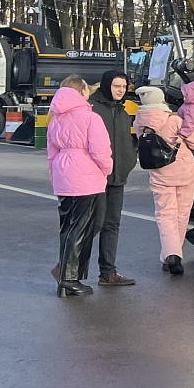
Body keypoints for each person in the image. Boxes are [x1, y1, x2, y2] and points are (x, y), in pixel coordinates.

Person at [46, 77, 112, 298]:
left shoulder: (55, 119)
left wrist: (55, 175)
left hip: (63, 176)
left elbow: (51, 154)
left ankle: (65, 273)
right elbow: (100, 150)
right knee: (85, 227)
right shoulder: (91, 118)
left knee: (68, 228)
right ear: (82, 91)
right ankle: (69, 278)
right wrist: (107, 169)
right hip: (86, 176)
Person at [133, 85, 194, 276]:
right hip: (185, 171)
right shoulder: (175, 121)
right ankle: (173, 254)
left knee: (165, 215)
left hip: (159, 172)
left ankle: (170, 255)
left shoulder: (139, 123)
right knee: (182, 214)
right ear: (161, 100)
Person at [81, 69, 138, 287]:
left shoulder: (123, 113)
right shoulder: (93, 110)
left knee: (112, 224)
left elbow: (126, 143)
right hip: (95, 178)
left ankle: (108, 272)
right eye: (116, 86)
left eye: (123, 87)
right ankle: (68, 268)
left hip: (117, 177)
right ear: (106, 85)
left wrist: (128, 162)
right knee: (92, 225)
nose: (121, 91)